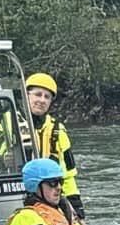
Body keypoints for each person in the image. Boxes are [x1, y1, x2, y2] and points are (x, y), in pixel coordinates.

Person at [23, 71, 84, 216]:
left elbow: (68, 176)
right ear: (26, 96)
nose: (42, 100)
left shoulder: (58, 130)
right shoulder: (4, 124)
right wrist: (2, 161)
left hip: (49, 199)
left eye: (47, 97)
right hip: (15, 195)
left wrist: (78, 211)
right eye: (37, 94)